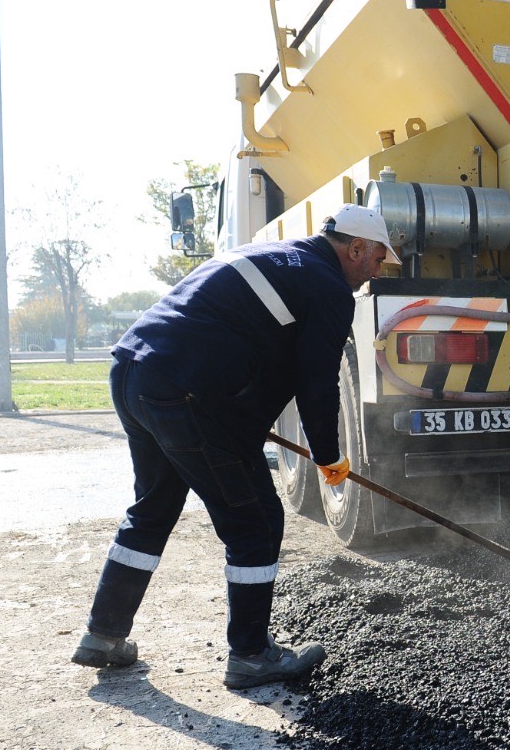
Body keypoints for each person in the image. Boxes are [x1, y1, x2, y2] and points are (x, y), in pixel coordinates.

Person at [70, 206, 401, 688]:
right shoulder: (328, 286)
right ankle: (251, 655)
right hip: (184, 391)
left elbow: (244, 345)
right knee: (256, 521)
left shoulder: (273, 255)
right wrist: (329, 455)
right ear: (354, 248)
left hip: (133, 372)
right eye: (374, 259)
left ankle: (102, 636)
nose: (375, 271)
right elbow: (316, 383)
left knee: (153, 508)